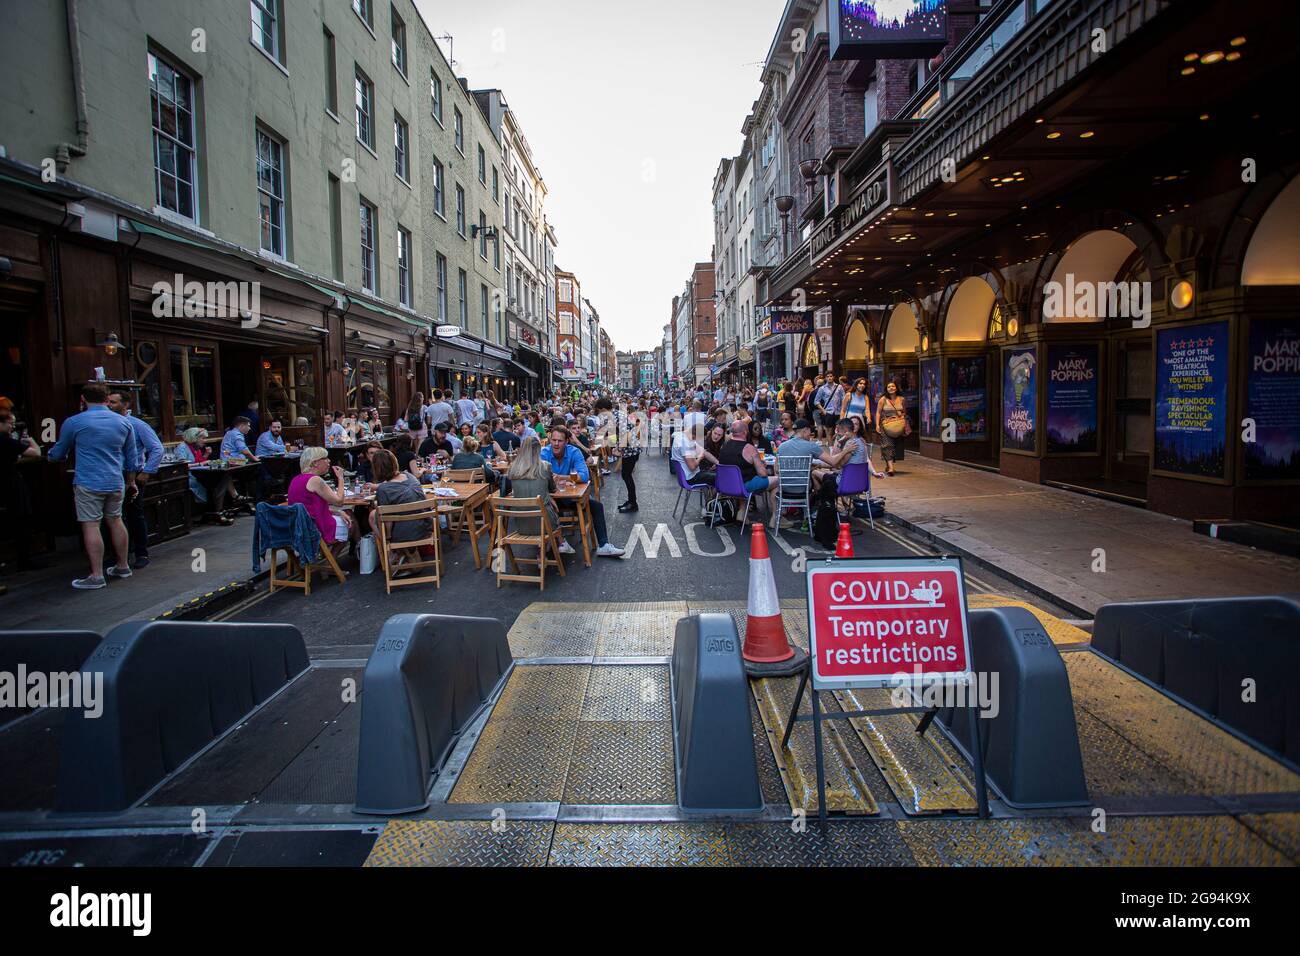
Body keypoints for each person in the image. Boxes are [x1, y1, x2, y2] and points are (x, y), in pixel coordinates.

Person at [47, 384, 142, 589]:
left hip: (89, 480)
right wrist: (131, 481)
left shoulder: (75, 422)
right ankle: (123, 565)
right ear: (106, 398)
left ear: (83, 399)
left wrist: (48, 453)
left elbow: (58, 453)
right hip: (115, 479)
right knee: (116, 521)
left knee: (91, 524)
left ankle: (97, 575)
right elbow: (133, 458)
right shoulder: (124, 422)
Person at [540, 425, 624, 557]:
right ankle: (555, 541)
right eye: (553, 440)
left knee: (597, 506)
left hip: (570, 498)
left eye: (560, 441)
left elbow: (584, 476)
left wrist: (561, 477)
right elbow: (539, 477)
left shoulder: (574, 452)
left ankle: (603, 545)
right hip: (551, 500)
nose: (556, 444)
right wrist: (565, 480)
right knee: (542, 506)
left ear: (567, 441)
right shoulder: (544, 453)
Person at [107, 390, 164, 569]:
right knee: (113, 517)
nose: (109, 405)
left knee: (134, 515)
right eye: (108, 401)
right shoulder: (107, 424)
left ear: (126, 405)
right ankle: (118, 554)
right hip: (112, 475)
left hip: (133, 475)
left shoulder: (137, 424)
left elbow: (157, 449)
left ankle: (141, 553)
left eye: (114, 402)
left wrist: (147, 472)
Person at [287, 447, 356, 551]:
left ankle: (327, 558)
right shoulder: (315, 480)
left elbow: (309, 508)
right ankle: (332, 561)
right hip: (315, 527)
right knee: (352, 523)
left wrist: (338, 512)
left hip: (299, 526)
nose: (329, 461)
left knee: (347, 514)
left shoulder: (296, 479)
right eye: (325, 458)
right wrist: (341, 478)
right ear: (315, 463)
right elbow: (339, 501)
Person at [371, 449, 430, 565]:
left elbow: (387, 520)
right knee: (376, 515)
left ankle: (394, 553)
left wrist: (387, 539)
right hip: (426, 527)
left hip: (406, 534)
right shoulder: (409, 476)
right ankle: (407, 555)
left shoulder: (384, 490)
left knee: (375, 516)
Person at [0, 408, 42, 571]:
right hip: (10, 483)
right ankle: (24, 559)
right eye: (10, 424)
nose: (12, 427)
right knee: (21, 519)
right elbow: (36, 453)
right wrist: (29, 438)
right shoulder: (7, 441)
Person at [717, 419, 776, 521]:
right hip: (743, 487)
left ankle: (742, 512)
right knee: (778, 480)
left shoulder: (724, 446)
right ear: (745, 432)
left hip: (724, 485)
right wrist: (763, 466)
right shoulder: (749, 448)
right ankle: (776, 518)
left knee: (744, 479)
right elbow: (763, 474)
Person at [174, 427, 234, 525]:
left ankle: (218, 510)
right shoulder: (182, 447)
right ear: (194, 438)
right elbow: (183, 466)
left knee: (223, 477)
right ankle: (217, 511)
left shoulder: (196, 448)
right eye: (202, 438)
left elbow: (200, 461)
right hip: (189, 477)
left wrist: (206, 454)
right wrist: (202, 463)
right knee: (216, 481)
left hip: (200, 474)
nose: (204, 441)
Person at [874, 380, 909, 477]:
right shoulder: (883, 399)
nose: (891, 388)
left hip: (898, 425)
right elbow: (878, 412)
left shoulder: (902, 399)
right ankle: (891, 467)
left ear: (896, 388)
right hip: (886, 425)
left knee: (896, 445)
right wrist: (877, 425)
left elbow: (905, 412)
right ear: (886, 389)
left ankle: (888, 464)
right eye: (889, 387)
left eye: (893, 386)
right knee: (887, 445)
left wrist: (901, 415)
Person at [617, 406, 642, 513]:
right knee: (626, 476)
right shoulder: (621, 417)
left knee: (627, 476)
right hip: (631, 451)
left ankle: (633, 503)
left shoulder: (619, 418)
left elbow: (626, 436)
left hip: (630, 452)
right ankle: (631, 501)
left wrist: (619, 448)